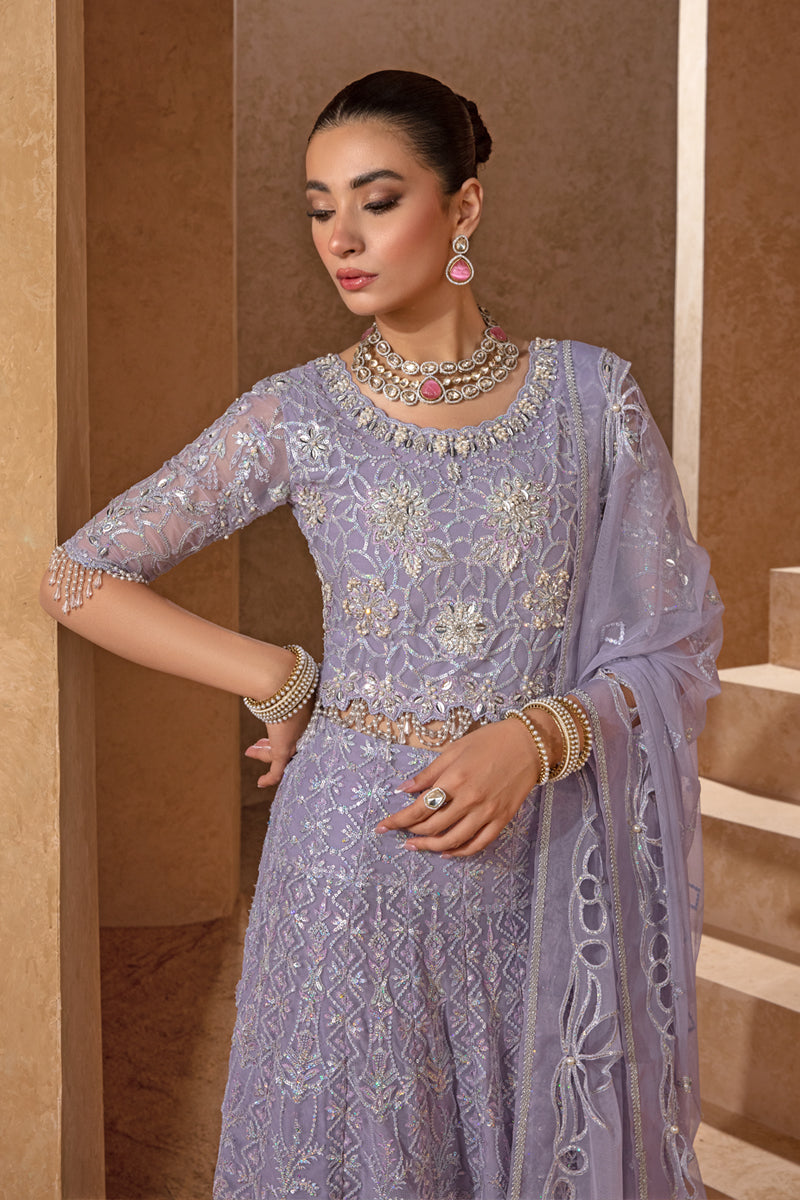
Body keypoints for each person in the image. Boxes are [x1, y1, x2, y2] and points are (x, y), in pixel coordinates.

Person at [40, 69, 722, 1200]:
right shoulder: (297, 414)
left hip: (538, 869)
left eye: (377, 200)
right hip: (344, 870)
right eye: (319, 209)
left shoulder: (590, 399)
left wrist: (537, 739)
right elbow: (78, 575)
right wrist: (277, 673)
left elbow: (672, 643)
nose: (341, 239)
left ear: (463, 207)